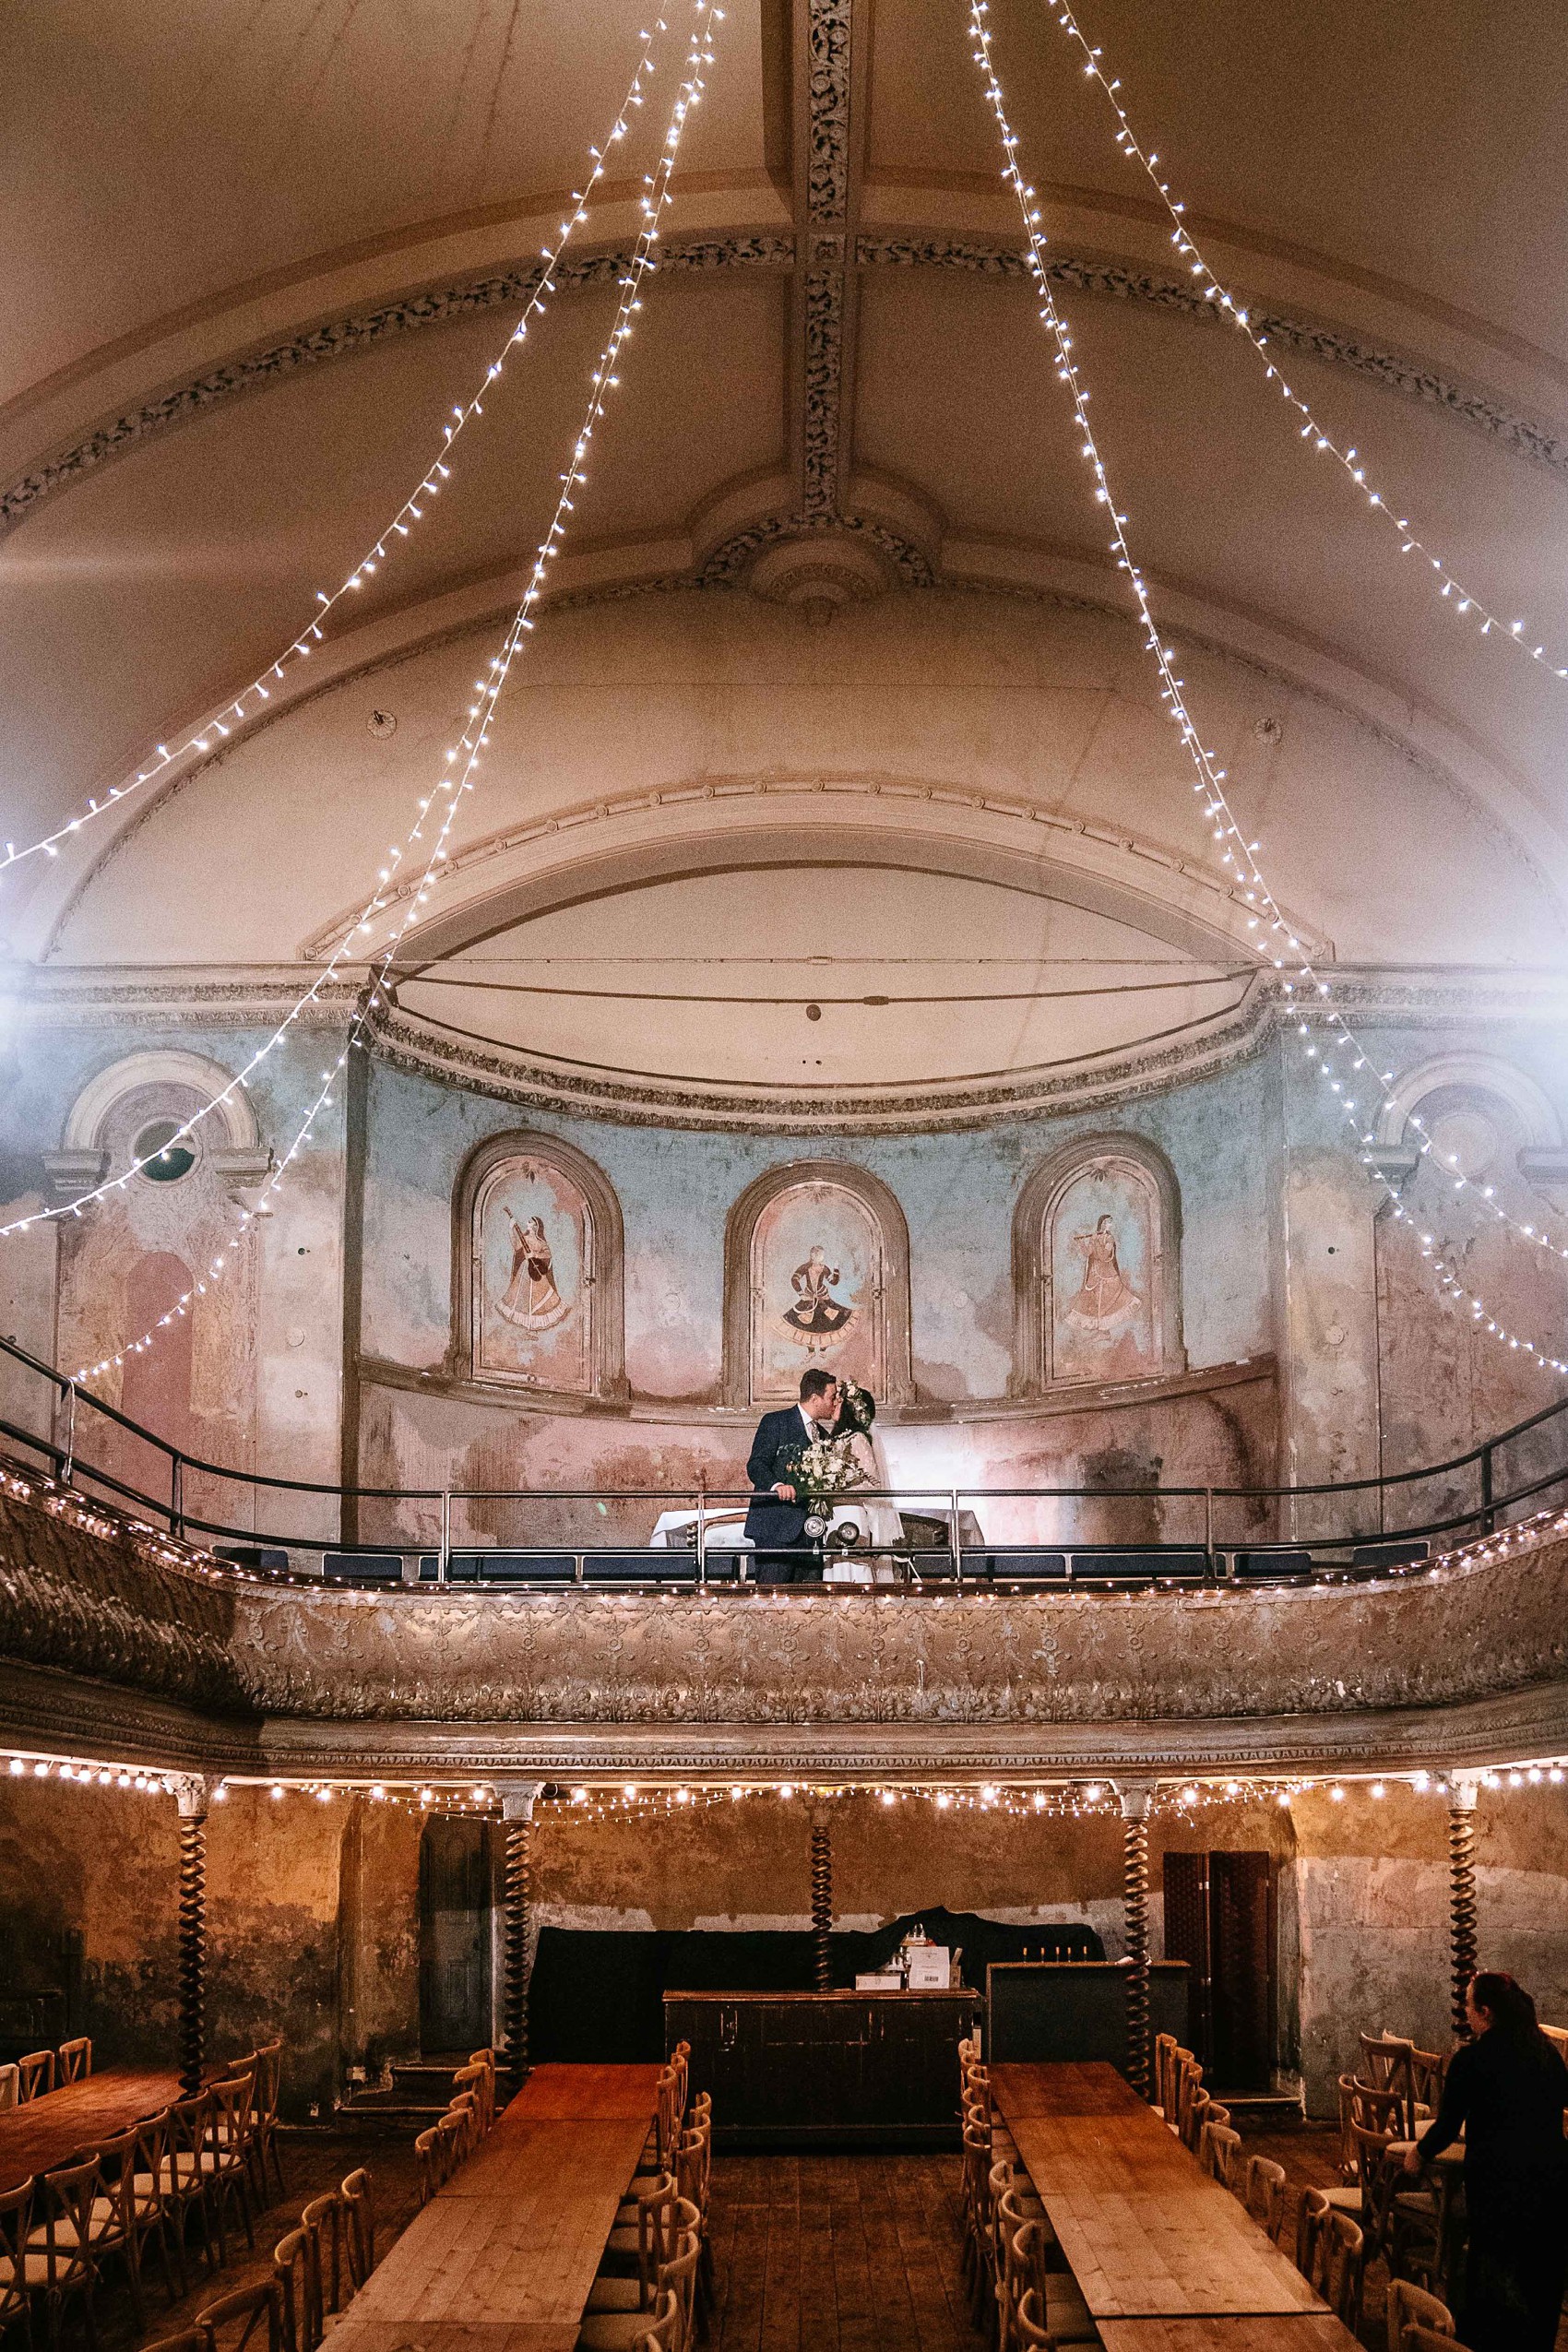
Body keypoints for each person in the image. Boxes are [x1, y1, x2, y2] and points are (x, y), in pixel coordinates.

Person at [1402, 1969, 1568, 2350]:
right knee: (1540, 2277)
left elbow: (1446, 2128)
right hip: (1552, 2179)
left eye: (1469, 2005)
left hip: (1499, 2181)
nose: (1466, 2014)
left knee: (1493, 2273)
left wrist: (1418, 2154)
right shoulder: (1545, 2053)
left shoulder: (1472, 2060)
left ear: (1487, 2012)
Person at [743, 1369, 839, 1585]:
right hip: (776, 1530)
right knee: (772, 1597)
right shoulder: (776, 1422)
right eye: (832, 1397)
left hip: (811, 1533)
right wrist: (777, 1485)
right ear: (815, 1399)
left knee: (809, 1602)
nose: (835, 1402)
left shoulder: (823, 1435)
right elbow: (756, 1464)